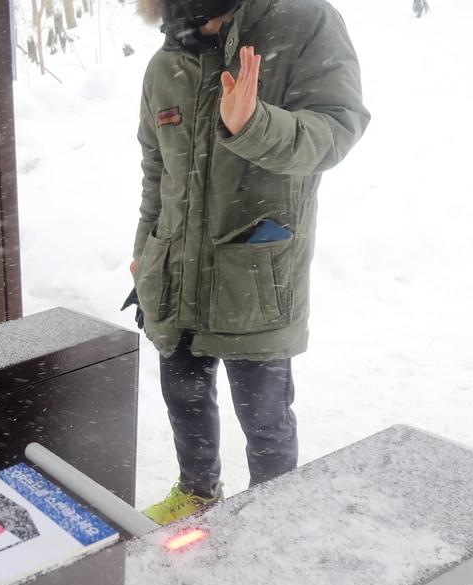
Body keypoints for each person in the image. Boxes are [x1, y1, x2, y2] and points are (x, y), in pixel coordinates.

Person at [129, 0, 370, 524]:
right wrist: (144, 246)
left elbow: (338, 129)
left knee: (264, 415)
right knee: (183, 394)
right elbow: (157, 171)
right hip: (174, 268)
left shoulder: (303, 21)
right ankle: (196, 493)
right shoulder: (164, 63)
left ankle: (272, 518)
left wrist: (254, 124)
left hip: (255, 271)